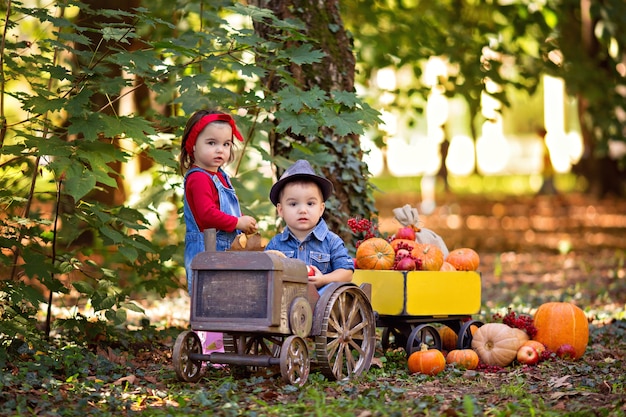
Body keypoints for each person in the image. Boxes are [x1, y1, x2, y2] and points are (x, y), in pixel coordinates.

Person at [179, 109, 258, 356]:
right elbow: (206, 216)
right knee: (208, 302)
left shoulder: (220, 176)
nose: (220, 150)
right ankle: (209, 353)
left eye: (226, 144)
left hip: (223, 249)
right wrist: (238, 222)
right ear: (192, 146)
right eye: (211, 143)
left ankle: (224, 348)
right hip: (207, 248)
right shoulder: (199, 179)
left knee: (225, 301)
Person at [266, 160, 353, 289]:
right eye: (293, 204)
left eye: (310, 203)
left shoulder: (331, 242)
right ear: (281, 210)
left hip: (322, 304)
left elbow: (347, 273)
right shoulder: (276, 245)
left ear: (321, 209)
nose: (302, 210)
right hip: (285, 304)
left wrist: (324, 279)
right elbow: (264, 273)